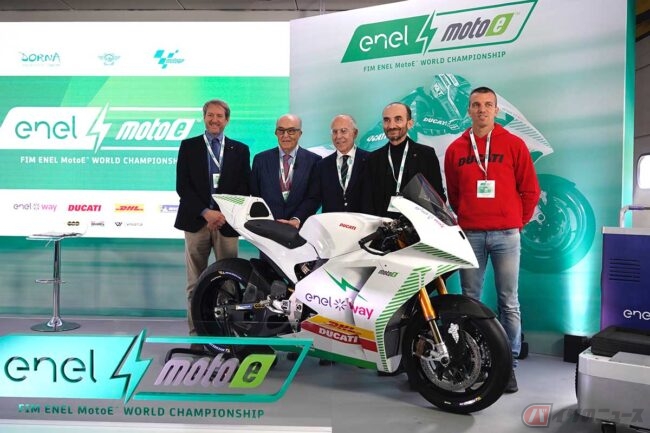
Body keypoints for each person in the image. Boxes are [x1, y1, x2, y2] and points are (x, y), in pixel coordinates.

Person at [444, 86, 541, 394]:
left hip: (506, 235)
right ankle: (473, 360)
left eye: (488, 104)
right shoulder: (455, 149)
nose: (482, 110)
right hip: (471, 234)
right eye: (476, 105)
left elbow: (530, 189)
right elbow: (454, 193)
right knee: (469, 300)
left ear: (496, 110)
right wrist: (469, 215)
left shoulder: (514, 144)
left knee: (508, 302)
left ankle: (507, 366)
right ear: (469, 110)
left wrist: (516, 221)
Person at [174, 99, 251, 336]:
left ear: (227, 120)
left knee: (228, 283)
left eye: (219, 116)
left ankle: (227, 334)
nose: (214, 120)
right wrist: (206, 212)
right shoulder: (189, 146)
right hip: (196, 222)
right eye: (210, 115)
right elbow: (183, 187)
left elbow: (244, 188)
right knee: (195, 282)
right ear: (204, 117)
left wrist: (222, 214)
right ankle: (197, 334)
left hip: (226, 224)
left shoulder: (240, 150)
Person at [362, 102, 446, 216]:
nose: (391, 126)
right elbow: (367, 201)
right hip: (382, 225)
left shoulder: (426, 155)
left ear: (410, 123)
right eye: (387, 120)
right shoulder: (373, 159)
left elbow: (437, 197)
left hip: (417, 224)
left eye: (398, 119)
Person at [250, 113, 321, 228]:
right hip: (267, 228)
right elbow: (255, 195)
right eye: (281, 131)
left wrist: (297, 219)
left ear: (300, 133)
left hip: (300, 228)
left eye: (291, 131)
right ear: (276, 133)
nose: (285, 135)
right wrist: (265, 219)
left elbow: (314, 197)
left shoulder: (314, 161)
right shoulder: (260, 160)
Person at [314, 114, 369, 213]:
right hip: (331, 222)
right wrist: (297, 218)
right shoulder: (322, 165)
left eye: (343, 131)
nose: (338, 136)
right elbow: (313, 199)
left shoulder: (371, 160)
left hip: (362, 221)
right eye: (334, 132)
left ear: (355, 133)